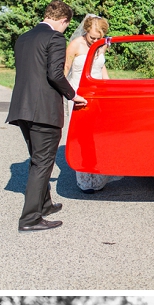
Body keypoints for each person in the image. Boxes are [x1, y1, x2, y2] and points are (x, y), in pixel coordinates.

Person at [6, 0, 87, 232]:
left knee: (37, 158)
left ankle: (45, 204)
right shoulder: (55, 38)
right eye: (66, 25)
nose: (65, 29)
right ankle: (30, 219)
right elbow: (55, 74)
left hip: (21, 108)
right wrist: (73, 95)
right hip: (43, 111)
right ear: (63, 21)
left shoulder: (24, 38)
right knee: (42, 163)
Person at [64, 14, 118, 193]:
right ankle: (85, 180)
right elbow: (65, 69)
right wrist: (64, 93)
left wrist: (109, 87)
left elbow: (101, 67)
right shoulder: (75, 45)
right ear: (85, 31)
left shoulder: (101, 45)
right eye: (92, 37)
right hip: (78, 94)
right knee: (82, 137)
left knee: (98, 136)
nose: (94, 40)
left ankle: (98, 177)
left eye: (98, 38)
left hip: (98, 95)